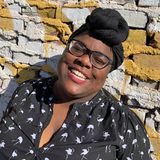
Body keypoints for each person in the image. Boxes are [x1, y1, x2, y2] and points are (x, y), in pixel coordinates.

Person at [0, 8, 152, 160]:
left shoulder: (121, 125)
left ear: (108, 72)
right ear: (66, 49)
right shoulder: (27, 93)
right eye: (78, 48)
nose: (84, 61)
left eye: (99, 60)